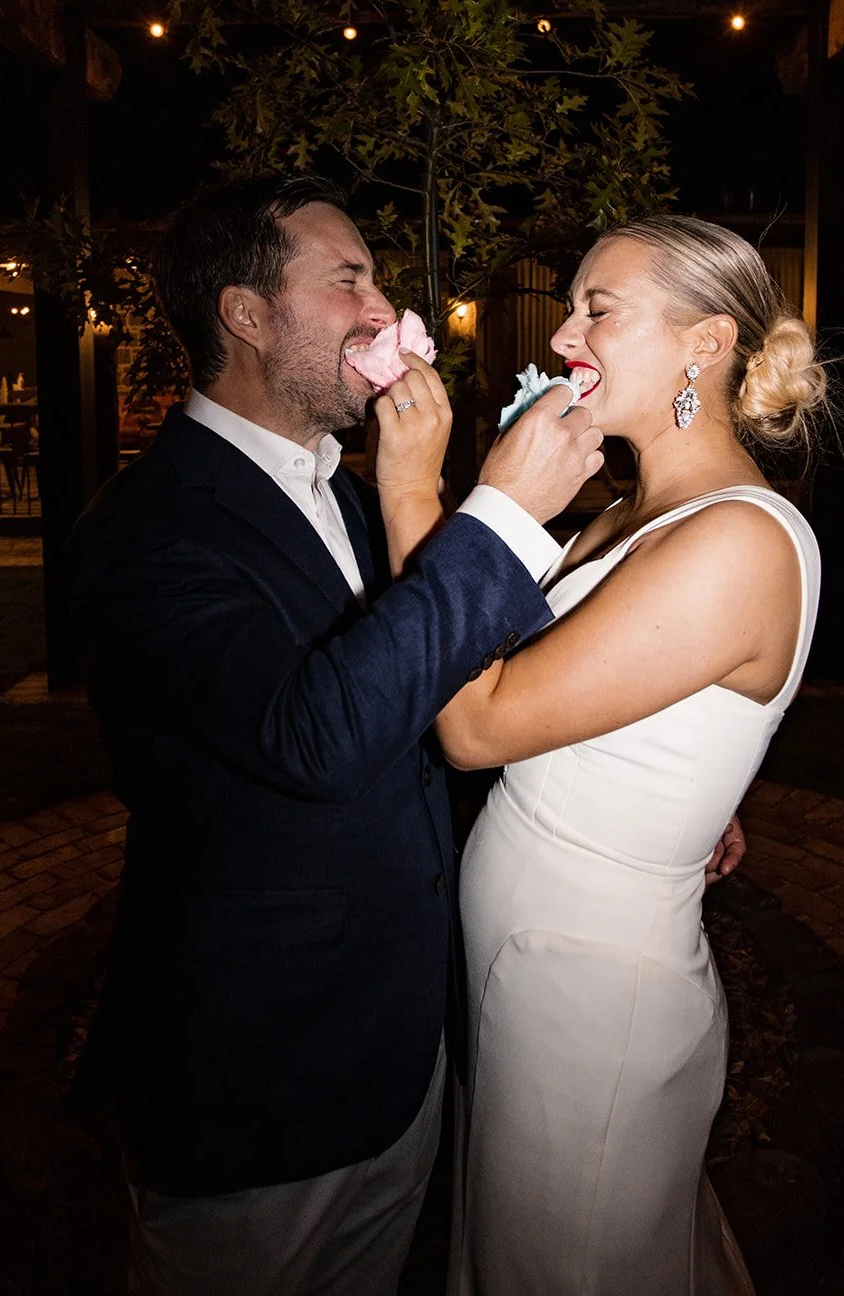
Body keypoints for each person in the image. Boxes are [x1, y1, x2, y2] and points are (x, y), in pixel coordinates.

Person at [65, 173, 605, 1296]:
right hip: (254, 1075)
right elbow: (314, 736)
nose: (381, 308)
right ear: (246, 314)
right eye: (346, 278)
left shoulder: (350, 495)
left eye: (376, 279)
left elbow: (440, 706)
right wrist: (494, 512)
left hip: (395, 1051)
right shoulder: (148, 529)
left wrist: (617, 792)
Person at [375, 214, 826, 1295]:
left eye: (596, 307)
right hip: (539, 957)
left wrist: (413, 488)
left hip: (591, 989)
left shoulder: (736, 537)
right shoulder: (624, 508)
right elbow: (572, 684)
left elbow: (474, 724)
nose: (565, 330)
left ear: (701, 344)